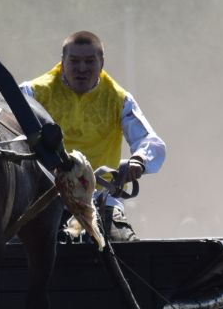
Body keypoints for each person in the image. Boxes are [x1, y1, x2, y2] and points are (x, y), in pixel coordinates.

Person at [27, 30, 167, 240]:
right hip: (43, 200)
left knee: (126, 252)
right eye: (74, 61)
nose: (82, 68)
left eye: (89, 61)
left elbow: (151, 142)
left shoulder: (119, 99)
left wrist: (139, 160)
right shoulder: (31, 94)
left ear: (102, 63)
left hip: (101, 200)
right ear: (62, 62)